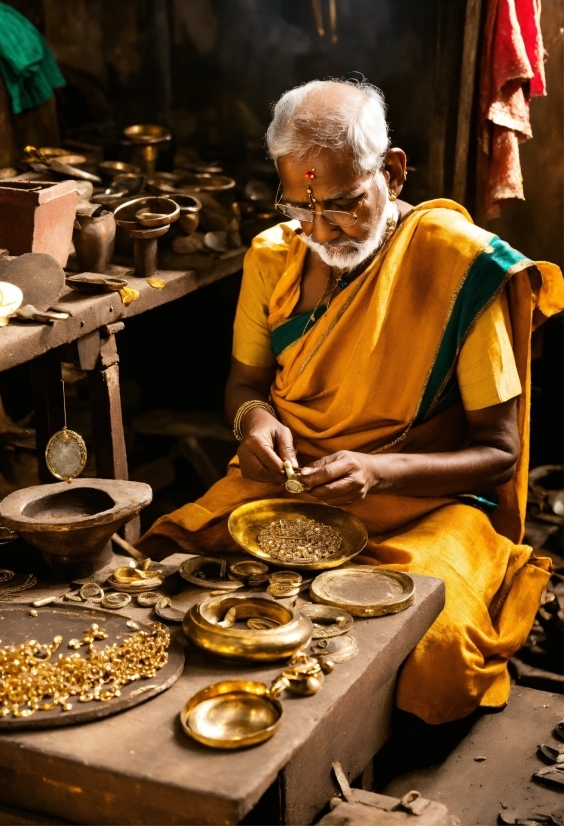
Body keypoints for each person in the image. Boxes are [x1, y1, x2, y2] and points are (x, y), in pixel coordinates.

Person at [139, 79, 563, 725]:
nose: (320, 232)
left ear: (391, 172)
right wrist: (252, 422)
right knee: (167, 574)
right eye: (299, 210)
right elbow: (245, 386)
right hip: (291, 491)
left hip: (428, 503)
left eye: (341, 206)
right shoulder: (270, 259)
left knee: (435, 649)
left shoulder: (456, 266)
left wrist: (379, 470)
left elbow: (498, 454)